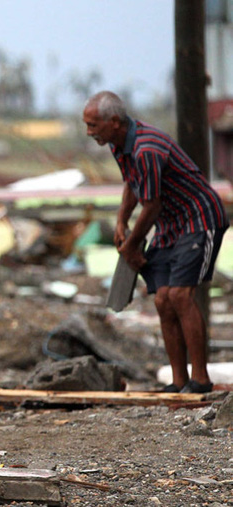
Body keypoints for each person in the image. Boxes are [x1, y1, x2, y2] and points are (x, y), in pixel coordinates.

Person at [83, 91, 229, 394]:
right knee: (162, 300)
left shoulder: (146, 148)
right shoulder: (118, 144)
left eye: (94, 125)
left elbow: (152, 206)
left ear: (114, 122)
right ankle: (178, 381)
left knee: (179, 295)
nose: (89, 132)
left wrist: (132, 246)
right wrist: (122, 220)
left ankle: (199, 379)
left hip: (198, 218)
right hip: (170, 224)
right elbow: (132, 184)